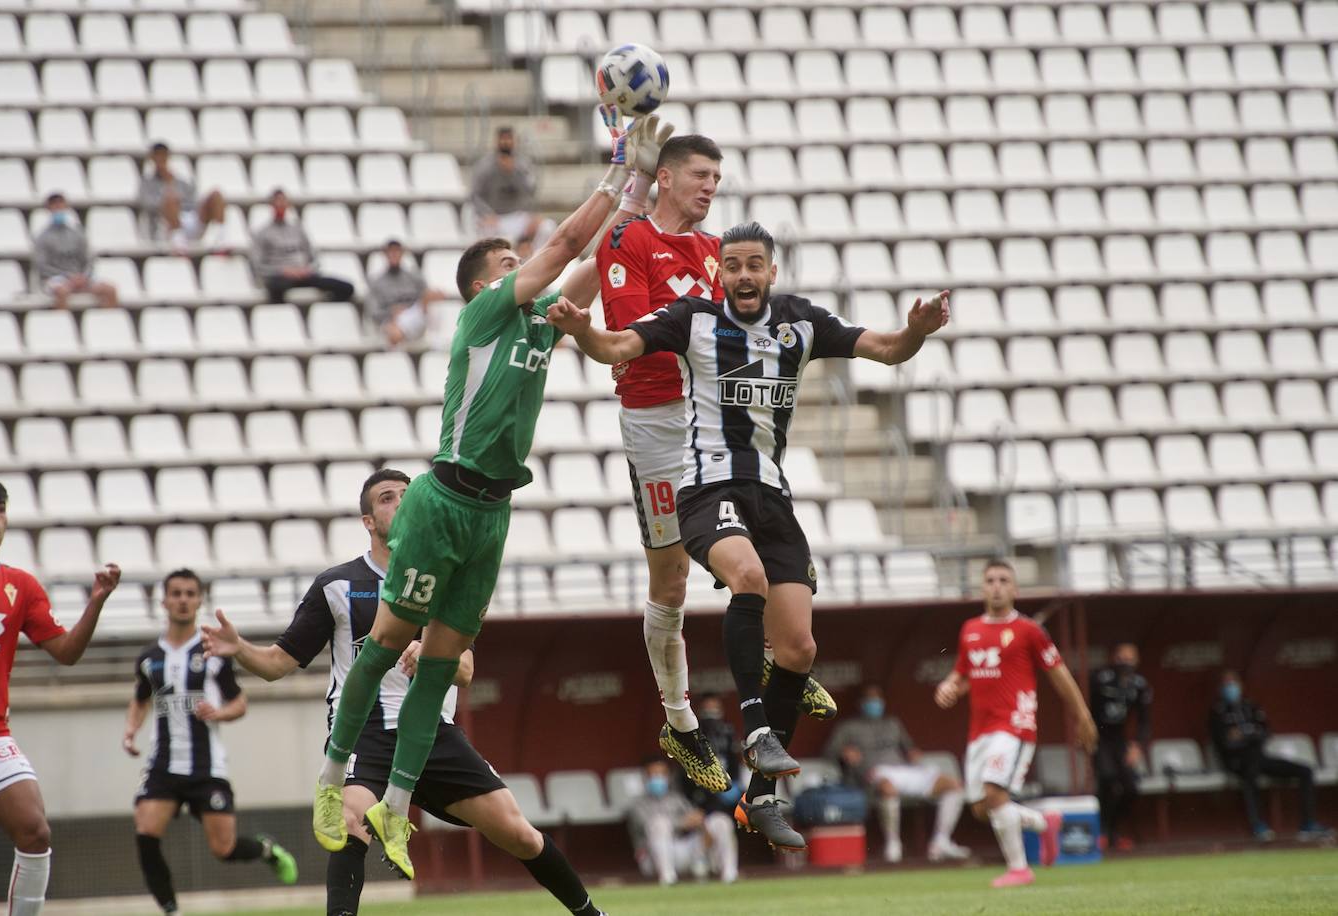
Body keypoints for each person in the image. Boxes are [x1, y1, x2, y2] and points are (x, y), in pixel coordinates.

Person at [307, 108, 672, 881]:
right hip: (443, 497)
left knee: (437, 667)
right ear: (485, 282)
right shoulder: (484, 313)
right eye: (511, 259)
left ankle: (395, 810)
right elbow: (570, 243)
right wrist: (615, 165)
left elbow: (592, 258)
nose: (525, 264)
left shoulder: (542, 322)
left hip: (494, 508)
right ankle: (332, 777)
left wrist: (638, 191)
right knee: (382, 648)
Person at [548, 220, 949, 851]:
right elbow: (618, 347)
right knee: (748, 579)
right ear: (720, 272)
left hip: (772, 496)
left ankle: (761, 797)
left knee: (798, 651)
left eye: (753, 265)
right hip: (708, 488)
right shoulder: (694, 319)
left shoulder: (800, 322)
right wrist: (581, 330)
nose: (741, 275)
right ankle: (755, 725)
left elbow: (887, 348)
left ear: (771, 271)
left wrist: (918, 331)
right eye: (731, 265)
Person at [201, 470, 607, 916]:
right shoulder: (337, 585)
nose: (400, 503)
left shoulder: (442, 581)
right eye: (387, 498)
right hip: (365, 732)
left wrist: (432, 652)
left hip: (432, 732)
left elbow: (466, 671)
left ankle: (591, 914)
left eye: (407, 496)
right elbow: (277, 665)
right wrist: (239, 648)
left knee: (519, 833)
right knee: (351, 820)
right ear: (368, 521)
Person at [594, 136, 838, 796]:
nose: (711, 187)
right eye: (701, 176)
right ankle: (678, 720)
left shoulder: (714, 255)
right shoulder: (628, 243)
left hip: (715, 418)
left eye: (718, 177)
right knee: (670, 581)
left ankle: (777, 650)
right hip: (657, 425)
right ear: (666, 179)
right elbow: (635, 337)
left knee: (768, 536)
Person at [0, 475, 121, 915]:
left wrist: (97, 601)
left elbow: (66, 653)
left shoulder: (22, 587)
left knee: (35, 832)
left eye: (0, 508)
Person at [123, 569, 297, 915]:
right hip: (163, 765)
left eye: (190, 593)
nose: (183, 600)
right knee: (145, 830)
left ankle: (266, 850)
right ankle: (171, 909)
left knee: (224, 848)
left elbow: (240, 703)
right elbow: (141, 699)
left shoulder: (214, 653)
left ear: (200, 600)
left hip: (207, 766)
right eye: (177, 593)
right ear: (165, 601)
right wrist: (131, 730)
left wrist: (218, 713)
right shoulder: (148, 657)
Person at [933, 560, 1098, 888]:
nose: (996, 585)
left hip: (1014, 725)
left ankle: (1020, 868)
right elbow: (964, 673)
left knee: (995, 795)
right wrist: (949, 685)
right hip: (979, 730)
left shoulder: (1029, 631)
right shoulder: (970, 629)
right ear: (982, 587)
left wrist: (1082, 715)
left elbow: (1059, 674)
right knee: (982, 808)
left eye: (1003, 580)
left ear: (1015, 589)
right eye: (990, 580)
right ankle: (1042, 822)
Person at [824, 685, 969, 863]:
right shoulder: (848, 727)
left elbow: (909, 748)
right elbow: (829, 752)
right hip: (873, 773)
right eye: (870, 699)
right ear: (861, 703)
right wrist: (844, 752)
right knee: (888, 788)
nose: (874, 704)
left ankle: (941, 841)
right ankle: (893, 843)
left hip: (902, 770)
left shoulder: (893, 723)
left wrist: (914, 754)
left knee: (953, 785)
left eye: (877, 699)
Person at [1209, 670, 1332, 843]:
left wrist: (1244, 734)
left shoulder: (1250, 706)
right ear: (1221, 688)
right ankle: (1258, 826)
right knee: (1250, 773)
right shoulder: (1217, 711)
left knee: (1305, 771)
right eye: (1227, 684)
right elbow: (1224, 742)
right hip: (1236, 762)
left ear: (1241, 684)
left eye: (1234, 683)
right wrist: (1247, 735)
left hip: (1259, 757)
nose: (1231, 687)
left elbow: (1265, 732)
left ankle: (1308, 824)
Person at [627, 757, 738, 886]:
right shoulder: (638, 804)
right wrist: (682, 823)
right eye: (653, 774)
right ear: (645, 778)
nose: (658, 778)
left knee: (720, 821)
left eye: (662, 774)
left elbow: (695, 818)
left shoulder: (677, 798)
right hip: (653, 857)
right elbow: (647, 826)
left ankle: (729, 874)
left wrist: (702, 826)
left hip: (685, 850)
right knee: (659, 823)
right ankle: (667, 878)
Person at [1089, 642, 1152, 851]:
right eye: (1122, 657)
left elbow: (1144, 720)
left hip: (1120, 740)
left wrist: (1137, 746)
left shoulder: (1139, 685)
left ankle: (1114, 830)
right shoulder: (1101, 678)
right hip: (1100, 737)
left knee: (1131, 787)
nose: (1126, 661)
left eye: (1130, 657)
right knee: (1106, 779)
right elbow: (1087, 709)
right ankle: (1102, 832)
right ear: (1114, 657)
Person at [250, 189, 356, 304]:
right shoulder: (262, 233)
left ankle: (323, 309)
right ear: (271, 205)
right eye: (277, 202)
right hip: (281, 277)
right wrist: (282, 271)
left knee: (346, 288)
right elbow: (258, 266)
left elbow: (315, 259)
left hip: (304, 275)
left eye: (283, 201)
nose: (281, 205)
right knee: (275, 288)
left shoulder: (298, 229)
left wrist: (307, 269)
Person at [470, 126, 554, 258]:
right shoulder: (485, 165)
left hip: (518, 217)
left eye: (509, 139)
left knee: (547, 226)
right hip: (495, 218)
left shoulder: (523, 164)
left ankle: (536, 260)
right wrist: (486, 214)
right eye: (502, 139)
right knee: (485, 232)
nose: (505, 143)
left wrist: (514, 171)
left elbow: (530, 191)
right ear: (496, 141)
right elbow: (475, 195)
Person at [33, 192, 118, 310]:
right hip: (57, 278)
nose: (59, 209)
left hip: (81, 277)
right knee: (61, 292)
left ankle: (109, 324)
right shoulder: (42, 237)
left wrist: (83, 277)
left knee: (109, 290)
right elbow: (42, 266)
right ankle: (63, 324)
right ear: (49, 209)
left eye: (61, 206)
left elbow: (89, 260)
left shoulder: (77, 233)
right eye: (55, 206)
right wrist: (68, 277)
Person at [137, 142, 227, 252]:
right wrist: (169, 198)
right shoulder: (146, 183)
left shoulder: (181, 182)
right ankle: (178, 243)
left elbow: (194, 200)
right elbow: (147, 204)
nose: (161, 159)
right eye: (158, 156)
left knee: (216, 194)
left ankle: (220, 239)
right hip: (165, 225)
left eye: (163, 155)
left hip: (191, 218)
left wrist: (171, 183)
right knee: (170, 198)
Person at [367, 239, 445, 346]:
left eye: (397, 251)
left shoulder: (414, 277)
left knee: (434, 297)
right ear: (385, 255)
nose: (394, 255)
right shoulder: (377, 282)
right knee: (393, 331)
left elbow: (426, 296)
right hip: (390, 320)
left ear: (402, 253)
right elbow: (373, 311)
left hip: (414, 314)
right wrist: (391, 312)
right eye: (390, 252)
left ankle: (437, 337)